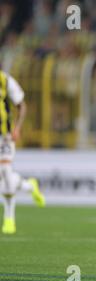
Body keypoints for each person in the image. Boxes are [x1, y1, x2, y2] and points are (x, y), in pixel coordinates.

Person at [0, 69, 46, 234]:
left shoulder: (5, 80)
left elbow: (21, 105)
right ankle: (29, 186)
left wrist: (17, 128)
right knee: (5, 176)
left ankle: (9, 219)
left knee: (5, 171)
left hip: (5, 136)